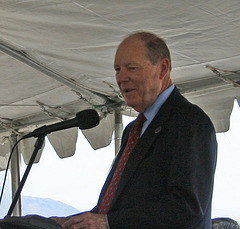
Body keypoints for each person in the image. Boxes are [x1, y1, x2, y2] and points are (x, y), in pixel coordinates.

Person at [52, 31, 217, 228]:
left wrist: (108, 223)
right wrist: (72, 222)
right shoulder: (133, 130)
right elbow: (118, 209)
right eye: (117, 69)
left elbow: (186, 209)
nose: (121, 78)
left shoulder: (190, 122)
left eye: (131, 68)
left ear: (163, 69)